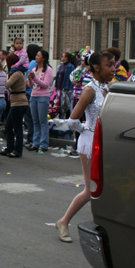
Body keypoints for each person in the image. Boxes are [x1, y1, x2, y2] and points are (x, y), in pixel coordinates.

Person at [55, 51, 115, 242]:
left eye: (114, 65)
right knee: (91, 190)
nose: (113, 69)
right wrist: (88, 130)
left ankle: (105, 227)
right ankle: (63, 221)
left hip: (104, 142)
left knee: (105, 189)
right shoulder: (90, 90)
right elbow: (72, 120)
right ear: (97, 67)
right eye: (109, 65)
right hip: (90, 143)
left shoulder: (109, 87)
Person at [27, 49, 54, 155]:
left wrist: (35, 79)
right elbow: (30, 85)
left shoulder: (49, 70)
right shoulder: (34, 69)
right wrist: (30, 79)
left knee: (43, 121)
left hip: (43, 97)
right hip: (33, 96)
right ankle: (35, 143)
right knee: (35, 121)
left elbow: (46, 84)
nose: (36, 57)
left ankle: (43, 144)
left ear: (44, 58)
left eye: (38, 55)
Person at [3, 53, 28, 158]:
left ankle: (17, 150)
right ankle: (10, 148)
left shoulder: (17, 73)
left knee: (17, 128)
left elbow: (6, 85)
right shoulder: (16, 72)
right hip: (16, 103)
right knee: (8, 126)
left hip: (19, 103)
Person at [23, 44, 41, 149]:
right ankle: (33, 138)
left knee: (29, 118)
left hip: (30, 92)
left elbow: (28, 78)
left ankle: (31, 138)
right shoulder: (35, 64)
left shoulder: (32, 64)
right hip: (31, 92)